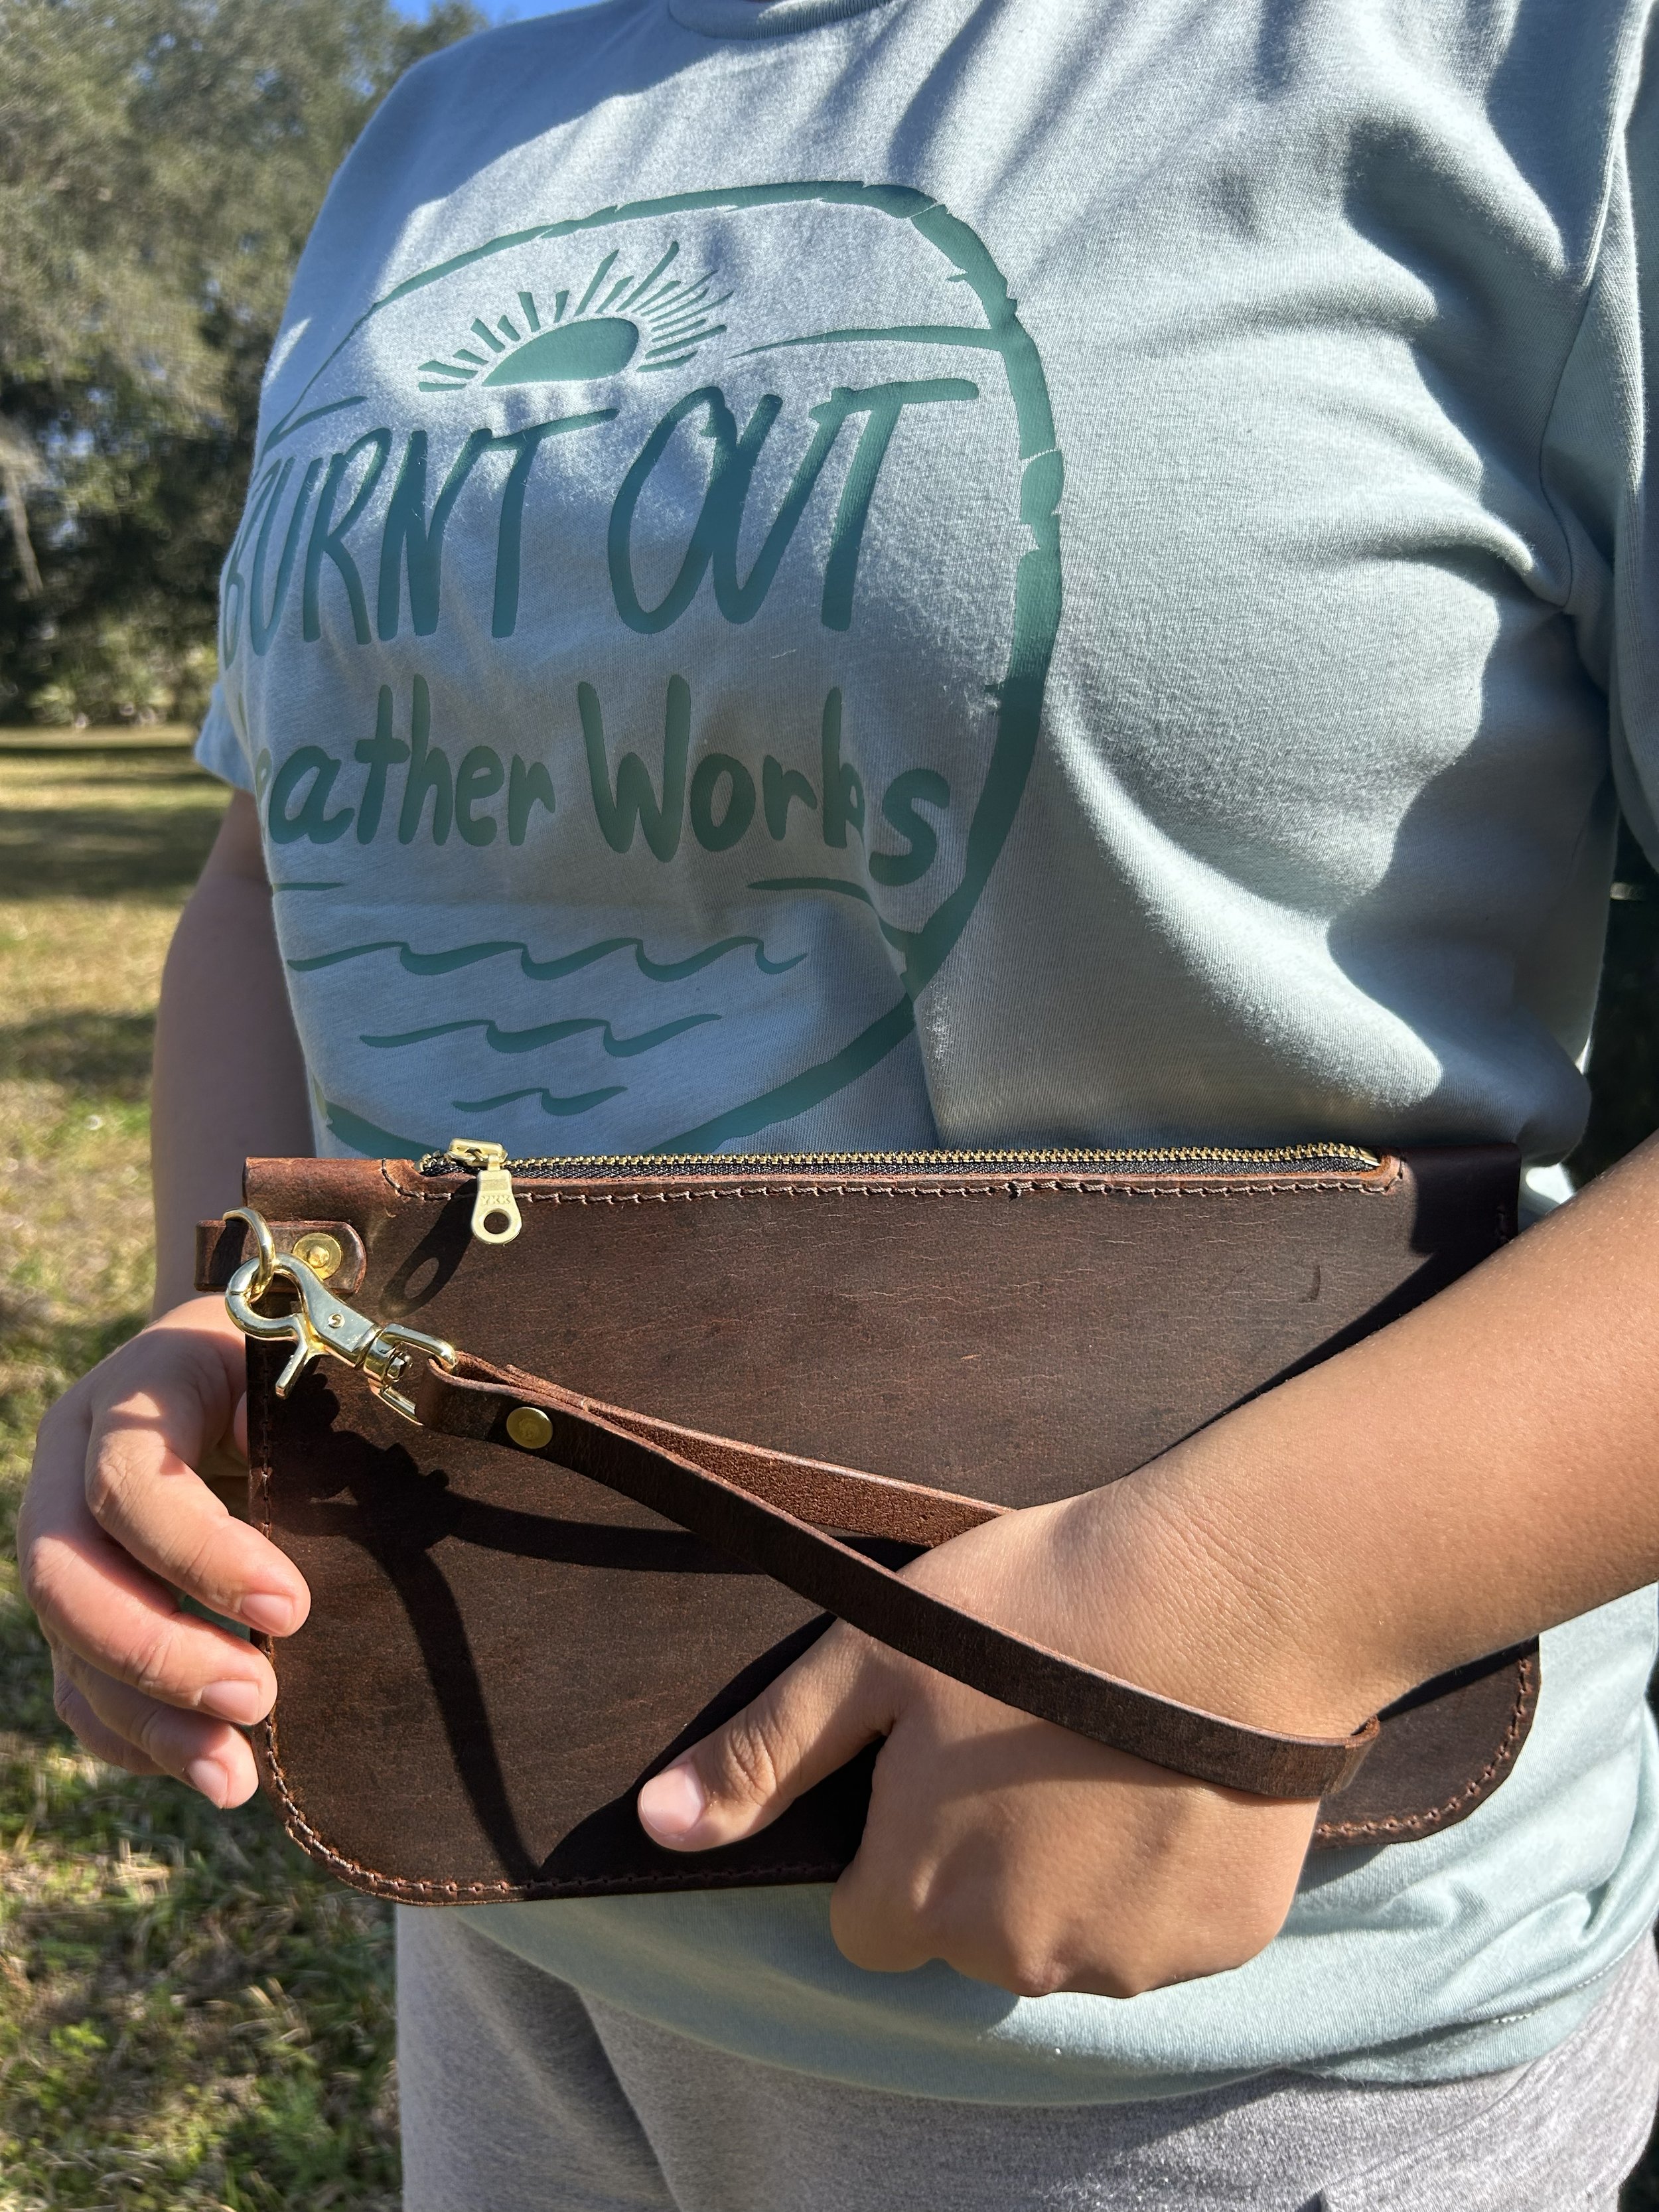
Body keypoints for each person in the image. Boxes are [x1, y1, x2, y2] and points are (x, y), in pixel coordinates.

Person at [21, 0, 1659, 2201]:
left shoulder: (1551, 61)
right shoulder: (440, 133)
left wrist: (1259, 1596)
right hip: (506, 1893)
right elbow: (268, 849)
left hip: (1206, 2051)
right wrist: (238, 1335)